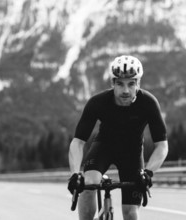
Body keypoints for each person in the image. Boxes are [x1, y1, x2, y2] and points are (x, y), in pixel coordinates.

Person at [68, 55, 169, 220]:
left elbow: (162, 145)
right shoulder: (98, 102)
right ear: (112, 84)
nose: (125, 91)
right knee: (88, 185)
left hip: (132, 154)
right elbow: (78, 142)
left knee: (130, 213)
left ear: (138, 84)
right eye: (120, 84)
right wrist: (74, 174)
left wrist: (149, 173)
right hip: (104, 147)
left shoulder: (148, 103)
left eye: (131, 84)